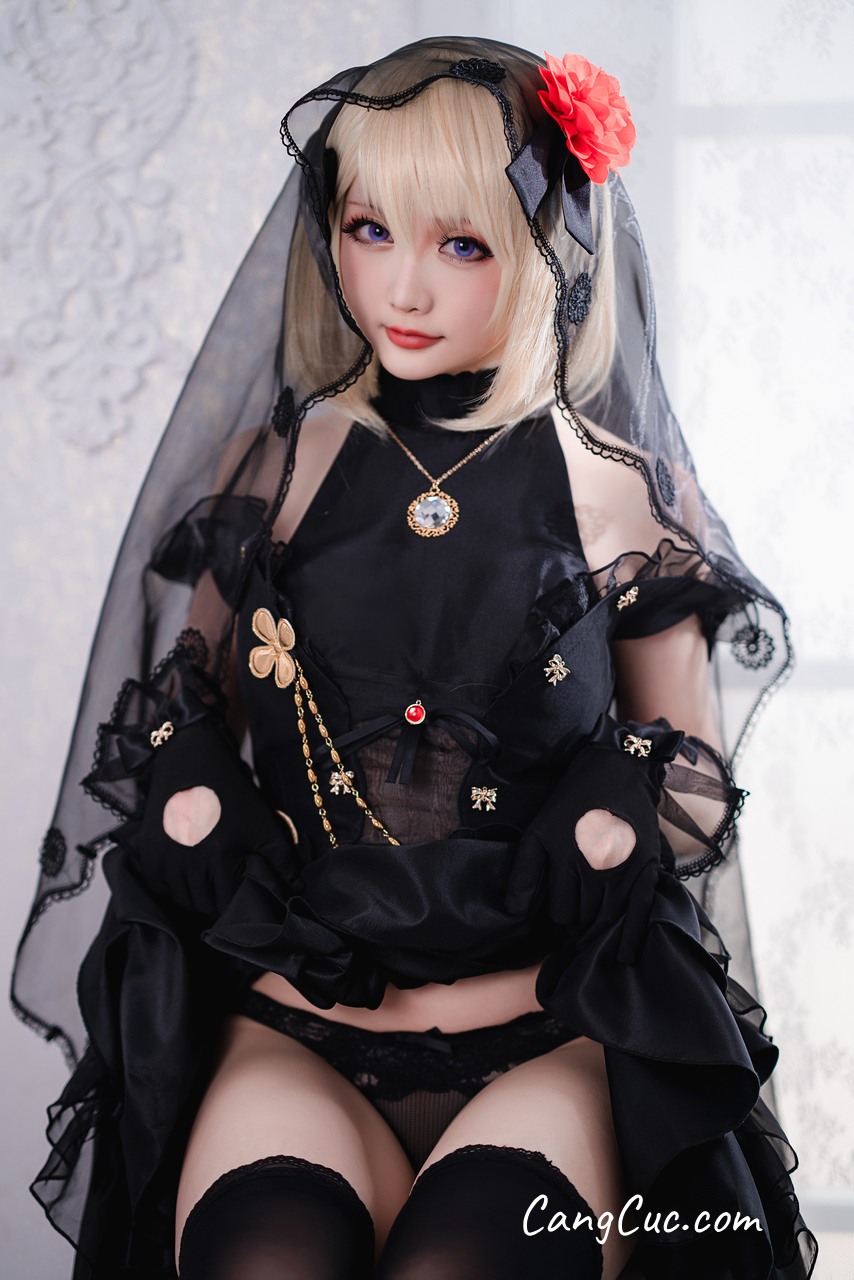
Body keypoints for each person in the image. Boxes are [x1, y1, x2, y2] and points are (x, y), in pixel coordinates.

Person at [13, 37, 816, 1279]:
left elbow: (695, 779)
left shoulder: (618, 495)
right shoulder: (276, 472)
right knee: (264, 1260)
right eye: (368, 228)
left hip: (543, 1039)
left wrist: (620, 805)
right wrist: (189, 784)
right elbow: (177, 706)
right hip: (294, 1031)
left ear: (545, 248)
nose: (402, 285)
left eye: (461, 244)